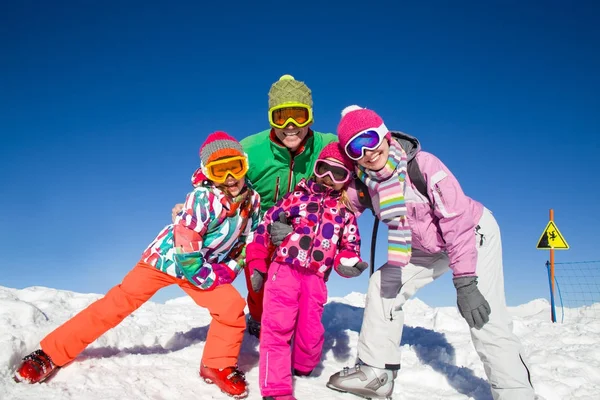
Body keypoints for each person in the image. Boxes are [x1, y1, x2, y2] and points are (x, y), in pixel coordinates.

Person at [14, 131, 262, 399]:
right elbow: (186, 245)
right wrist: (208, 277)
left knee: (231, 307)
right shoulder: (202, 199)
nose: (229, 178)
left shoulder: (253, 201)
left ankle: (217, 364)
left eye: (234, 167)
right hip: (165, 262)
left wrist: (232, 267)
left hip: (204, 269)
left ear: (244, 165)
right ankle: (50, 353)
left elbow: (251, 240)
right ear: (206, 173)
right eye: (218, 171)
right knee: (115, 305)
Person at [326, 106, 536, 400]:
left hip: (472, 233)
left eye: (370, 140)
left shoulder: (423, 166)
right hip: (423, 247)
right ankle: (376, 373)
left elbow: (457, 223)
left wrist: (465, 283)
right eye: (355, 148)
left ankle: (516, 392)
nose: (368, 153)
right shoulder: (365, 185)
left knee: (483, 314)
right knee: (382, 285)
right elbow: (335, 210)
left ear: (385, 135)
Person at [172, 75, 336, 338]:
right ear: (271, 118)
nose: (291, 126)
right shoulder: (252, 148)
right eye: (282, 118)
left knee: (301, 280)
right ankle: (259, 318)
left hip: (306, 225)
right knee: (258, 275)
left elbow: (360, 149)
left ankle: (296, 320)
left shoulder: (326, 144)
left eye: (299, 116)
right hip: (261, 224)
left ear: (310, 117)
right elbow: (215, 170)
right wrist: (193, 201)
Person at [246, 143, 368, 400]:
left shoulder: (345, 213)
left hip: (316, 277)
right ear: (315, 168)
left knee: (310, 328)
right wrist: (257, 261)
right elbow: (265, 227)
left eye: (338, 174)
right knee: (277, 327)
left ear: (346, 180)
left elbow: (350, 245)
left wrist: (347, 262)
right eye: (324, 169)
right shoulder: (295, 197)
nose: (328, 178)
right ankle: (275, 389)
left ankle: (304, 364)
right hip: (284, 270)